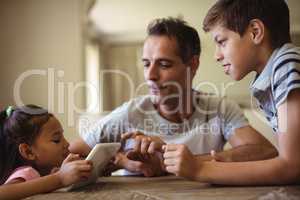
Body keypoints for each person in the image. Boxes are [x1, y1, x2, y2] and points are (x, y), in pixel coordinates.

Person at [70, 17, 277, 177]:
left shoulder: (220, 109)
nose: (150, 75)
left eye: (164, 64)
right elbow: (71, 155)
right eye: (146, 63)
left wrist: (169, 163)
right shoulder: (130, 114)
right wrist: (115, 161)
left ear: (192, 65)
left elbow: (265, 152)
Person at [163, 0, 300, 185]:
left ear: (255, 32)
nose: (217, 55)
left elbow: (292, 166)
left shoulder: (285, 65)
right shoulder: (274, 73)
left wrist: (200, 169)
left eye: (221, 42)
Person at [0, 105, 93, 200]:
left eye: (63, 137)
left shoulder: (46, 170)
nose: (67, 144)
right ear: (28, 152)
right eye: (56, 140)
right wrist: (59, 178)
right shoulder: (27, 172)